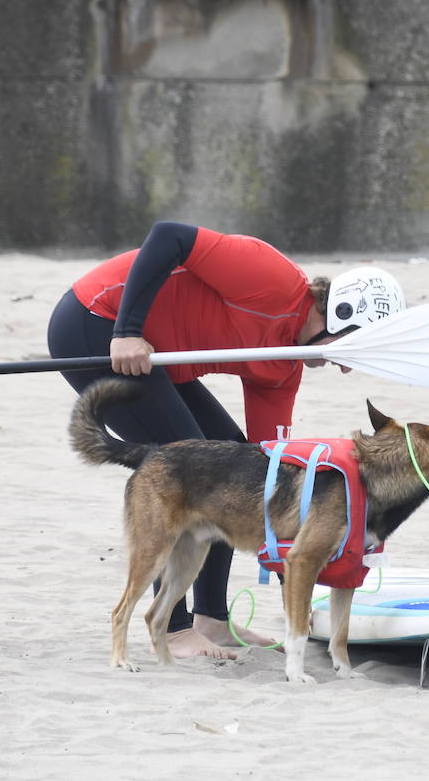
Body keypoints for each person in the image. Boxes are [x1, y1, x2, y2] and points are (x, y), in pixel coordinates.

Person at [47, 220, 406, 659]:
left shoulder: (283, 367)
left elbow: (266, 475)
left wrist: (300, 572)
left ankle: (211, 619)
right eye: (349, 350)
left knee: (230, 463)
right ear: (340, 314)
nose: (346, 367)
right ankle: (174, 630)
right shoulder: (267, 275)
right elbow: (167, 237)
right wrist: (127, 331)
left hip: (158, 358)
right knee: (192, 466)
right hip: (97, 321)